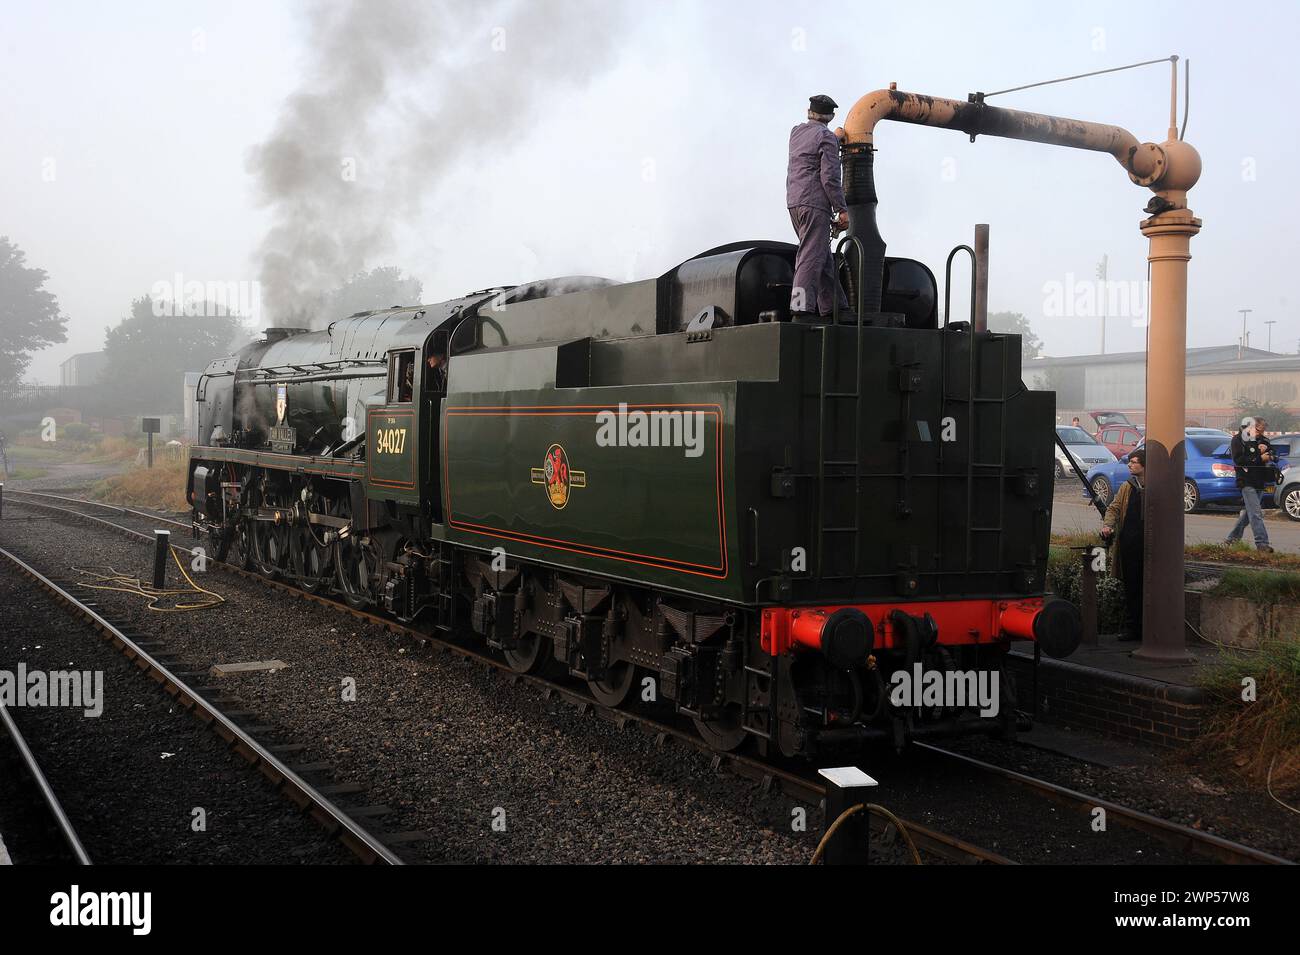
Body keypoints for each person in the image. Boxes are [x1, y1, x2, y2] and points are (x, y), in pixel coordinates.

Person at [786, 93, 850, 322]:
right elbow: (830, 177)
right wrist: (842, 209)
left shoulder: (796, 132)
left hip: (794, 202)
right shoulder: (826, 137)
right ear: (831, 116)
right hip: (815, 203)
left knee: (820, 255)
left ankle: (836, 307)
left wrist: (833, 138)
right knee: (810, 257)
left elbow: (812, 146)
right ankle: (800, 308)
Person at [1100, 448, 1146, 641]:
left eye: (1134, 462)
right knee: (1131, 587)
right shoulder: (1128, 486)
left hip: (1146, 545)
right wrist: (1108, 525)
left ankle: (1142, 627)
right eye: (1129, 461)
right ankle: (1133, 627)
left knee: (1145, 587)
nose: (1129, 465)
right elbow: (1114, 507)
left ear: (1145, 465)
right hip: (1129, 543)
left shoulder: (1154, 485)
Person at [1225, 416, 1275, 552]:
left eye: (1263, 431)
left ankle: (1231, 539)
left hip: (1260, 480)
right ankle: (1262, 544)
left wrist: (1269, 452)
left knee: (1250, 514)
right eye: (1259, 430)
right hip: (1246, 480)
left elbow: (1273, 454)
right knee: (1256, 514)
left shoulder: (1263, 439)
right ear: (1250, 427)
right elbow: (1239, 460)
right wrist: (1259, 456)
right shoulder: (1237, 440)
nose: (1261, 434)